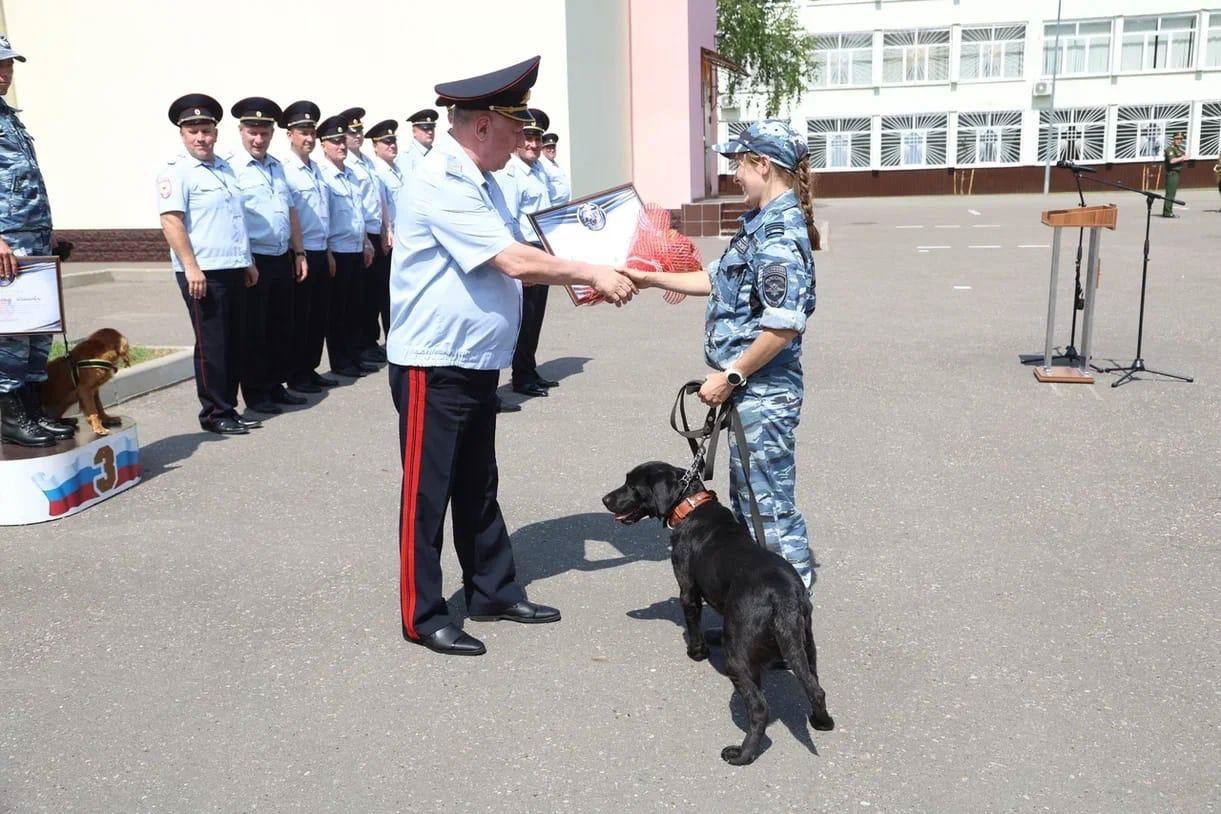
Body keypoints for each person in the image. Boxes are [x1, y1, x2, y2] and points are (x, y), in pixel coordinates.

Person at [388, 55, 636, 656]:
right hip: (433, 363)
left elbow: (522, 252)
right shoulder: (440, 180)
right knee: (428, 494)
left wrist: (581, 277)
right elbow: (511, 260)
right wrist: (590, 272)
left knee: (478, 484)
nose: (522, 141)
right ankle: (421, 614)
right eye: (514, 129)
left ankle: (492, 590)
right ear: (481, 128)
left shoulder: (484, 179)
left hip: (473, 360)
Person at [622, 120, 819, 593]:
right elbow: (717, 279)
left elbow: (783, 326)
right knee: (750, 500)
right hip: (749, 391)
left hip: (763, 392)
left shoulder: (778, 236)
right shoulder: (759, 223)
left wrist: (731, 375)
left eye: (739, 163)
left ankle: (791, 606)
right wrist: (652, 279)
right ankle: (761, 604)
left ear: (764, 165)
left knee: (768, 507)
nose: (734, 173)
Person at [157, 94, 262, 436]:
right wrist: (191, 267)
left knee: (235, 342)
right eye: (193, 132)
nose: (201, 138)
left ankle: (229, 407)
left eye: (206, 130)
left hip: (232, 266)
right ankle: (215, 412)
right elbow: (172, 222)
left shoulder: (225, 168)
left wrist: (246, 261)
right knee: (212, 345)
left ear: (216, 132)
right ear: (182, 135)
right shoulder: (176, 172)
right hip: (203, 272)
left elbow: (237, 219)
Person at [0, 34, 76, 446]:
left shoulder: (9, 116)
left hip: (32, 242)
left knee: (35, 334)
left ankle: (31, 410)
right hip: (6, 248)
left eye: (9, 65)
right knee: (10, 336)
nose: (5, 73)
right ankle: (11, 418)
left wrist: (47, 235)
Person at [227, 98, 309, 415]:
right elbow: (233, 218)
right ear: (241, 132)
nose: (258, 139)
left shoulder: (276, 166)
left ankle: (276, 385)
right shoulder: (231, 167)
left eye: (264, 133)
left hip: (280, 255)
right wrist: (245, 260)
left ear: (273, 133)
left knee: (280, 326)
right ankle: (257, 393)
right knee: (255, 331)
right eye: (252, 132)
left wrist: (299, 251)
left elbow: (290, 210)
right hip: (254, 260)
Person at [496, 107, 559, 400]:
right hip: (525, 249)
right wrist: (520, 263)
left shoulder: (538, 170)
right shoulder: (512, 173)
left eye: (537, 138)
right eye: (528, 138)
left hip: (541, 249)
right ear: (518, 139)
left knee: (535, 318)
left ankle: (528, 369)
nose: (533, 145)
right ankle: (520, 376)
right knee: (521, 318)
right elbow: (508, 221)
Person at [279, 100, 338, 394]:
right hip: (298, 252)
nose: (309, 138)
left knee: (317, 315)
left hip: (319, 248)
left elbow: (322, 214)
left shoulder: (315, 169)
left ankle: (311, 368)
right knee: (300, 317)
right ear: (289, 134)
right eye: (302, 132)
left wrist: (326, 250)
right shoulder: (284, 169)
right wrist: (299, 253)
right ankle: (297, 373)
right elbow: (290, 216)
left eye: (312, 132)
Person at [316, 114, 375, 379]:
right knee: (337, 311)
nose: (341, 146)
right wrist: (327, 250)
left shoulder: (351, 175)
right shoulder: (323, 176)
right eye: (334, 142)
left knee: (355, 308)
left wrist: (365, 242)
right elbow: (324, 217)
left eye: (342, 140)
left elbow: (358, 213)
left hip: (354, 247)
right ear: (324, 146)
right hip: (337, 249)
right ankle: (341, 361)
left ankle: (354, 355)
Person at [340, 108, 390, 365]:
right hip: (361, 234)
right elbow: (355, 204)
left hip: (375, 229)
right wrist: (366, 238)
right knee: (362, 295)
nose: (357, 136)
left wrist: (385, 228)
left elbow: (379, 199)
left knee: (376, 291)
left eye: (359, 131)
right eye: (352, 132)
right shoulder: (345, 163)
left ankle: (370, 341)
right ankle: (361, 344)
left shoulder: (368, 162)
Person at [367, 119, 401, 343]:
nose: (392, 145)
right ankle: (388, 338)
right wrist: (386, 232)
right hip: (387, 240)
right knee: (383, 294)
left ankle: (395, 336)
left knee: (397, 294)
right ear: (375, 146)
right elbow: (381, 207)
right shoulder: (377, 171)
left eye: (394, 141)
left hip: (401, 239)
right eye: (386, 142)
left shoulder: (397, 169)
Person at [399, 108, 437, 174]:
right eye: (425, 128)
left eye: (432, 128)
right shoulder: (405, 158)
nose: (430, 132)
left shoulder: (439, 155)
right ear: (414, 132)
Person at [539, 132, 571, 206]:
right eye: (548, 148)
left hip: (562, 206)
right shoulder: (542, 166)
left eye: (553, 147)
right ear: (542, 149)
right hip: (552, 208)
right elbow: (544, 191)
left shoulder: (554, 164)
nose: (552, 150)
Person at [1162, 132, 1186, 218]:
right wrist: (1182, 158)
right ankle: (1167, 212)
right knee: (1170, 194)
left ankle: (1168, 210)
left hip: (1176, 173)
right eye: (1177, 139)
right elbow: (1172, 161)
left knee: (1172, 193)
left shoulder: (1177, 149)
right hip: (1172, 173)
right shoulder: (1170, 149)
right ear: (1173, 139)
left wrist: (1183, 158)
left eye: (1180, 139)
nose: (1179, 141)